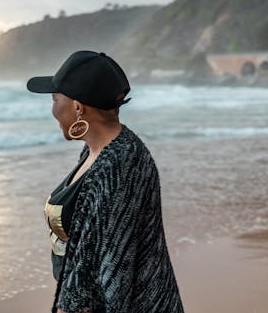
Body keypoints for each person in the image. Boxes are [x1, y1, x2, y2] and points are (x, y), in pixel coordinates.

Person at [26, 50, 184, 313]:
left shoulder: (119, 166)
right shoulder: (96, 151)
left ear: (77, 107)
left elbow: (105, 272)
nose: (52, 109)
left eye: (54, 99)